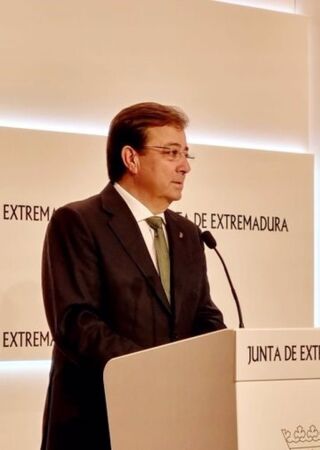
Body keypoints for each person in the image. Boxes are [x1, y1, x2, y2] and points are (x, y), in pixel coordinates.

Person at [40, 102, 226, 450]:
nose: (185, 166)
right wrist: (154, 373)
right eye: (171, 153)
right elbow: (77, 323)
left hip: (176, 421)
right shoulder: (79, 222)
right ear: (131, 158)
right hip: (99, 422)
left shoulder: (187, 234)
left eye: (186, 154)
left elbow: (203, 315)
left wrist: (225, 358)